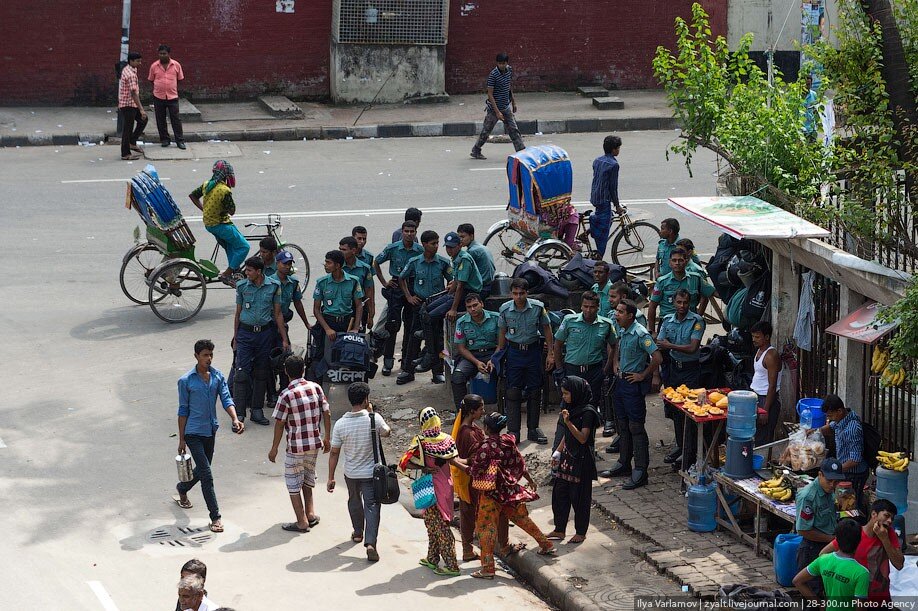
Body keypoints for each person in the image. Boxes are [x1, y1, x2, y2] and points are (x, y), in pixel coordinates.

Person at [468, 412, 556, 579]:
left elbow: (475, 471)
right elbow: (520, 463)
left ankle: (487, 568)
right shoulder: (508, 442)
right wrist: (530, 480)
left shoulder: (485, 448)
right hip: (510, 492)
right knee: (523, 519)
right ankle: (546, 544)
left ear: (486, 428)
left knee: (486, 529)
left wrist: (461, 463)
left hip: (490, 494)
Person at [175, 340, 244, 534]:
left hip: (210, 431)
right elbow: (182, 411)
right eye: (205, 355)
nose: (209, 358)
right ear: (196, 356)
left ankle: (183, 487)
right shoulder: (186, 381)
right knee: (207, 475)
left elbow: (226, 399)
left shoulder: (217, 376)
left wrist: (235, 419)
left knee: (204, 469)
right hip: (192, 433)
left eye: (211, 355)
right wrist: (181, 440)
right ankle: (215, 517)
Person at [399, 407, 467, 577]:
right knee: (432, 523)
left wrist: (425, 467)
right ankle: (432, 558)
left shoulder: (421, 441)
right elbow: (453, 460)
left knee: (440, 527)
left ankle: (452, 565)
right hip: (446, 486)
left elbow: (403, 463)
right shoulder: (448, 439)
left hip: (431, 488)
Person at [602, 300, 662, 489]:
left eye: (620, 312)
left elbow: (657, 357)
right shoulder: (622, 329)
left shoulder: (640, 333)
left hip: (632, 385)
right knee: (623, 426)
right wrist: (615, 364)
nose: (616, 314)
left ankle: (640, 471)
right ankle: (624, 464)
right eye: (616, 311)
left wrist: (644, 375)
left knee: (636, 427)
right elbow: (617, 346)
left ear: (630, 315)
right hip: (620, 382)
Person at [327, 382, 390, 562]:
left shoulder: (340, 424)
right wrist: (372, 413)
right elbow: (386, 433)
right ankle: (371, 543)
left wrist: (330, 477)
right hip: (371, 474)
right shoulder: (374, 418)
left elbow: (334, 452)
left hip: (351, 473)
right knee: (371, 505)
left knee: (354, 500)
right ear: (366, 400)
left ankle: (357, 532)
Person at [268, 355, 330, 534]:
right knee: (308, 477)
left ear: (286, 372)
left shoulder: (286, 395)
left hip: (295, 447)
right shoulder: (315, 388)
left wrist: (274, 449)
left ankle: (301, 521)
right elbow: (327, 412)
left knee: (293, 483)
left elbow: (280, 423)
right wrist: (327, 437)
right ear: (303, 369)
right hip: (314, 443)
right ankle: (310, 514)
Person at [496, 278, 555, 444]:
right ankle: (513, 431)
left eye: (522, 293)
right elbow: (502, 332)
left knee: (535, 391)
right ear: (511, 293)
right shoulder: (505, 309)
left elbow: (547, 329)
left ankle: (533, 429)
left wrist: (550, 353)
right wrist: (500, 353)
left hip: (533, 352)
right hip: (514, 353)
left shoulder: (538, 307)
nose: (519, 297)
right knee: (513, 391)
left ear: (527, 293)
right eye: (515, 293)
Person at [232, 256, 288, 425]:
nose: (246, 273)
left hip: (264, 334)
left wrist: (284, 339)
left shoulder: (274, 286)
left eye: (249, 270)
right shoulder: (242, 287)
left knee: (261, 373)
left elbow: (277, 314)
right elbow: (238, 313)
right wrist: (236, 337)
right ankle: (239, 414)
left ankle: (257, 411)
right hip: (245, 334)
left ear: (259, 271)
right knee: (241, 373)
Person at [552, 291, 616, 436]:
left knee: (590, 409)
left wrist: (606, 368)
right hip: (572, 371)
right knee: (568, 407)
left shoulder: (606, 324)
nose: (588, 310)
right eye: (585, 306)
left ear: (598, 307)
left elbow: (614, 344)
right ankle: (562, 447)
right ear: (581, 306)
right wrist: (560, 368)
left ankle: (589, 447)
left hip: (594, 372)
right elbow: (558, 344)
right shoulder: (569, 321)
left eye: (592, 307)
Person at [819, 499, 905, 604]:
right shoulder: (854, 533)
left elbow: (899, 564)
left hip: (879, 597)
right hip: (852, 597)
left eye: (892, 518)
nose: (890, 521)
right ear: (874, 514)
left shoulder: (889, 534)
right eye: (886, 516)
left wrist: (884, 539)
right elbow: (823, 554)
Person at [547, 376, 601, 544]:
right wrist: (557, 452)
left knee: (580, 498)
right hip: (566, 458)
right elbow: (567, 435)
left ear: (576, 393)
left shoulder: (588, 412)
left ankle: (581, 531)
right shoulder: (571, 407)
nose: (564, 397)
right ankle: (559, 528)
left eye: (566, 393)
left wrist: (568, 422)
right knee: (560, 493)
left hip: (581, 460)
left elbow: (583, 438)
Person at [656, 289, 705, 471]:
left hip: (691, 371)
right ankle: (680, 446)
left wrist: (670, 345)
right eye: (679, 302)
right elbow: (659, 342)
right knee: (676, 410)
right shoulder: (668, 320)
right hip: (674, 368)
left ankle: (690, 452)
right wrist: (669, 347)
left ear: (690, 303)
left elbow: (692, 347)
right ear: (674, 302)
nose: (682, 306)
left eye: (685, 303)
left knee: (690, 411)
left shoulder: (697, 321)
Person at [397, 230, 453, 385]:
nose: (436, 246)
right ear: (424, 244)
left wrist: (450, 286)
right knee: (413, 338)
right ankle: (408, 371)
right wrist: (409, 296)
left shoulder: (442, 262)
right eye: (433, 243)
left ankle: (438, 372)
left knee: (438, 341)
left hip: (436, 307)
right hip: (419, 305)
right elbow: (401, 278)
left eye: (437, 243)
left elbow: (452, 280)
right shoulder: (415, 262)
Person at [374, 221, 424, 376]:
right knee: (392, 325)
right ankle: (388, 362)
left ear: (416, 232)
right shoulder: (393, 248)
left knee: (411, 326)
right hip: (395, 286)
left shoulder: (420, 250)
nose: (409, 234)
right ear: (402, 232)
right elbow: (376, 262)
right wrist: (384, 282)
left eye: (412, 231)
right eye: (407, 231)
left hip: (411, 286)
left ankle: (407, 362)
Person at [189, 160, 249, 284]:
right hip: (220, 225)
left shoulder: (207, 184)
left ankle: (234, 271)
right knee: (244, 247)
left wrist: (205, 209)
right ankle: (227, 274)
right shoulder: (224, 190)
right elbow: (232, 211)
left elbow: (193, 196)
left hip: (209, 224)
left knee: (230, 245)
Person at [808, 394, 868, 511]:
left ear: (839, 411)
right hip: (843, 470)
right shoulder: (841, 419)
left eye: (830, 415)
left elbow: (855, 459)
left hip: (854, 474)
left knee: (849, 506)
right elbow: (831, 427)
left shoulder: (852, 429)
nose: (829, 418)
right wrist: (815, 431)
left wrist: (836, 471)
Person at [795, 458, 846, 595]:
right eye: (829, 481)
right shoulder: (808, 496)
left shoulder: (830, 491)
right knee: (813, 591)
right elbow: (803, 530)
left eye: (836, 481)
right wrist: (831, 539)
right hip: (812, 549)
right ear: (820, 475)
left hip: (829, 546)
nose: (832, 485)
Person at [311, 250, 364, 378]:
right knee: (320, 356)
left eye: (328, 263)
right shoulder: (322, 282)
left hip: (346, 323)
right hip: (327, 322)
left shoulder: (353, 281)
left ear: (338, 266)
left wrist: (356, 328)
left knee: (348, 356)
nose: (325, 265)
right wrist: (327, 329)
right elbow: (317, 310)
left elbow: (358, 305)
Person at [794, 518, 869, 603]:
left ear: (836, 538)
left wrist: (819, 604)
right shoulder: (862, 573)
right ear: (859, 541)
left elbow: (797, 581)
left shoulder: (823, 560)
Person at [450, 394, 487, 562]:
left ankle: (469, 548)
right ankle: (468, 550)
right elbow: (475, 458)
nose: (483, 412)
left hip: (473, 478)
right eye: (481, 409)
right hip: (472, 480)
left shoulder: (469, 428)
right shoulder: (468, 434)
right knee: (469, 514)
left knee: (469, 512)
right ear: (472, 411)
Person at [470, 52, 525, 159]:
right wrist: (497, 112)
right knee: (486, 131)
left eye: (504, 63)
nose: (502, 65)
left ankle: (522, 151)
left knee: (514, 130)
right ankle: (476, 150)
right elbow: (490, 94)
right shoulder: (493, 75)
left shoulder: (509, 70)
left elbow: (508, 86)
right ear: (497, 63)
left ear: (507, 63)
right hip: (493, 109)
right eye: (500, 63)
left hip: (506, 106)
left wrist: (513, 102)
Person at [647, 248, 714, 332]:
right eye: (674, 260)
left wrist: (698, 317)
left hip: (689, 324)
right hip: (667, 325)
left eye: (680, 260)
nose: (677, 263)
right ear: (670, 263)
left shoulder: (696, 279)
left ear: (686, 262)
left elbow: (711, 293)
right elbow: (652, 306)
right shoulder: (662, 281)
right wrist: (652, 331)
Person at [451, 293, 499, 408]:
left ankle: (505, 408)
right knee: (457, 376)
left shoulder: (496, 318)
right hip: (472, 356)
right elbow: (461, 348)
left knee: (508, 372)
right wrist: (476, 362)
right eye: (469, 307)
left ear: (481, 304)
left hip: (493, 353)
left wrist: (493, 359)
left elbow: (501, 343)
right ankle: (462, 413)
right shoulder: (462, 322)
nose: (472, 309)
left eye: (475, 305)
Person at [589, 135, 623, 257]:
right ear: (614, 149)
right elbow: (613, 187)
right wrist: (617, 205)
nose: (619, 150)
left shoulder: (597, 160)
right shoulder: (614, 165)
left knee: (609, 217)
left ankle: (589, 231)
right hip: (604, 200)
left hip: (594, 197)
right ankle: (599, 257)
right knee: (603, 234)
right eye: (618, 148)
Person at [750, 320, 782, 444]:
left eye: (757, 337)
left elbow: (772, 385)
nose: (754, 339)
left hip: (766, 400)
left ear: (767, 337)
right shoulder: (759, 351)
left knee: (763, 439)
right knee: (756, 435)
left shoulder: (771, 355)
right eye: (753, 336)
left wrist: (765, 410)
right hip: (757, 397)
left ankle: (762, 463)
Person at [147, 44, 185, 149]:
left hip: (172, 97)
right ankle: (164, 140)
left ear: (169, 54)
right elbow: (151, 79)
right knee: (160, 119)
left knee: (176, 119)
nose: (162, 56)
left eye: (164, 54)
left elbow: (180, 79)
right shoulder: (154, 66)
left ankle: (180, 141)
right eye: (160, 54)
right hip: (158, 96)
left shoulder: (176, 65)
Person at [340, 236, 375, 331]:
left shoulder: (365, 268)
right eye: (340, 249)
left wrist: (371, 315)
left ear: (353, 251)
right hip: (341, 307)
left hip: (359, 306)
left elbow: (369, 292)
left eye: (344, 249)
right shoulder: (337, 267)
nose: (341, 252)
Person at [118, 51, 147, 160]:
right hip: (128, 104)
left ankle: (132, 142)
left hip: (130, 103)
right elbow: (134, 93)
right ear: (131, 61)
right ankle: (125, 153)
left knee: (143, 120)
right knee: (128, 129)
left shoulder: (129, 69)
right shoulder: (130, 75)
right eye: (138, 61)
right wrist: (141, 109)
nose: (140, 63)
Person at [457, 223, 496, 291]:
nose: (460, 240)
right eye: (459, 237)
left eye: (463, 237)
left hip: (482, 286)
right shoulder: (480, 247)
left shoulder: (472, 251)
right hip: (489, 283)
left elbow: (463, 275)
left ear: (471, 236)